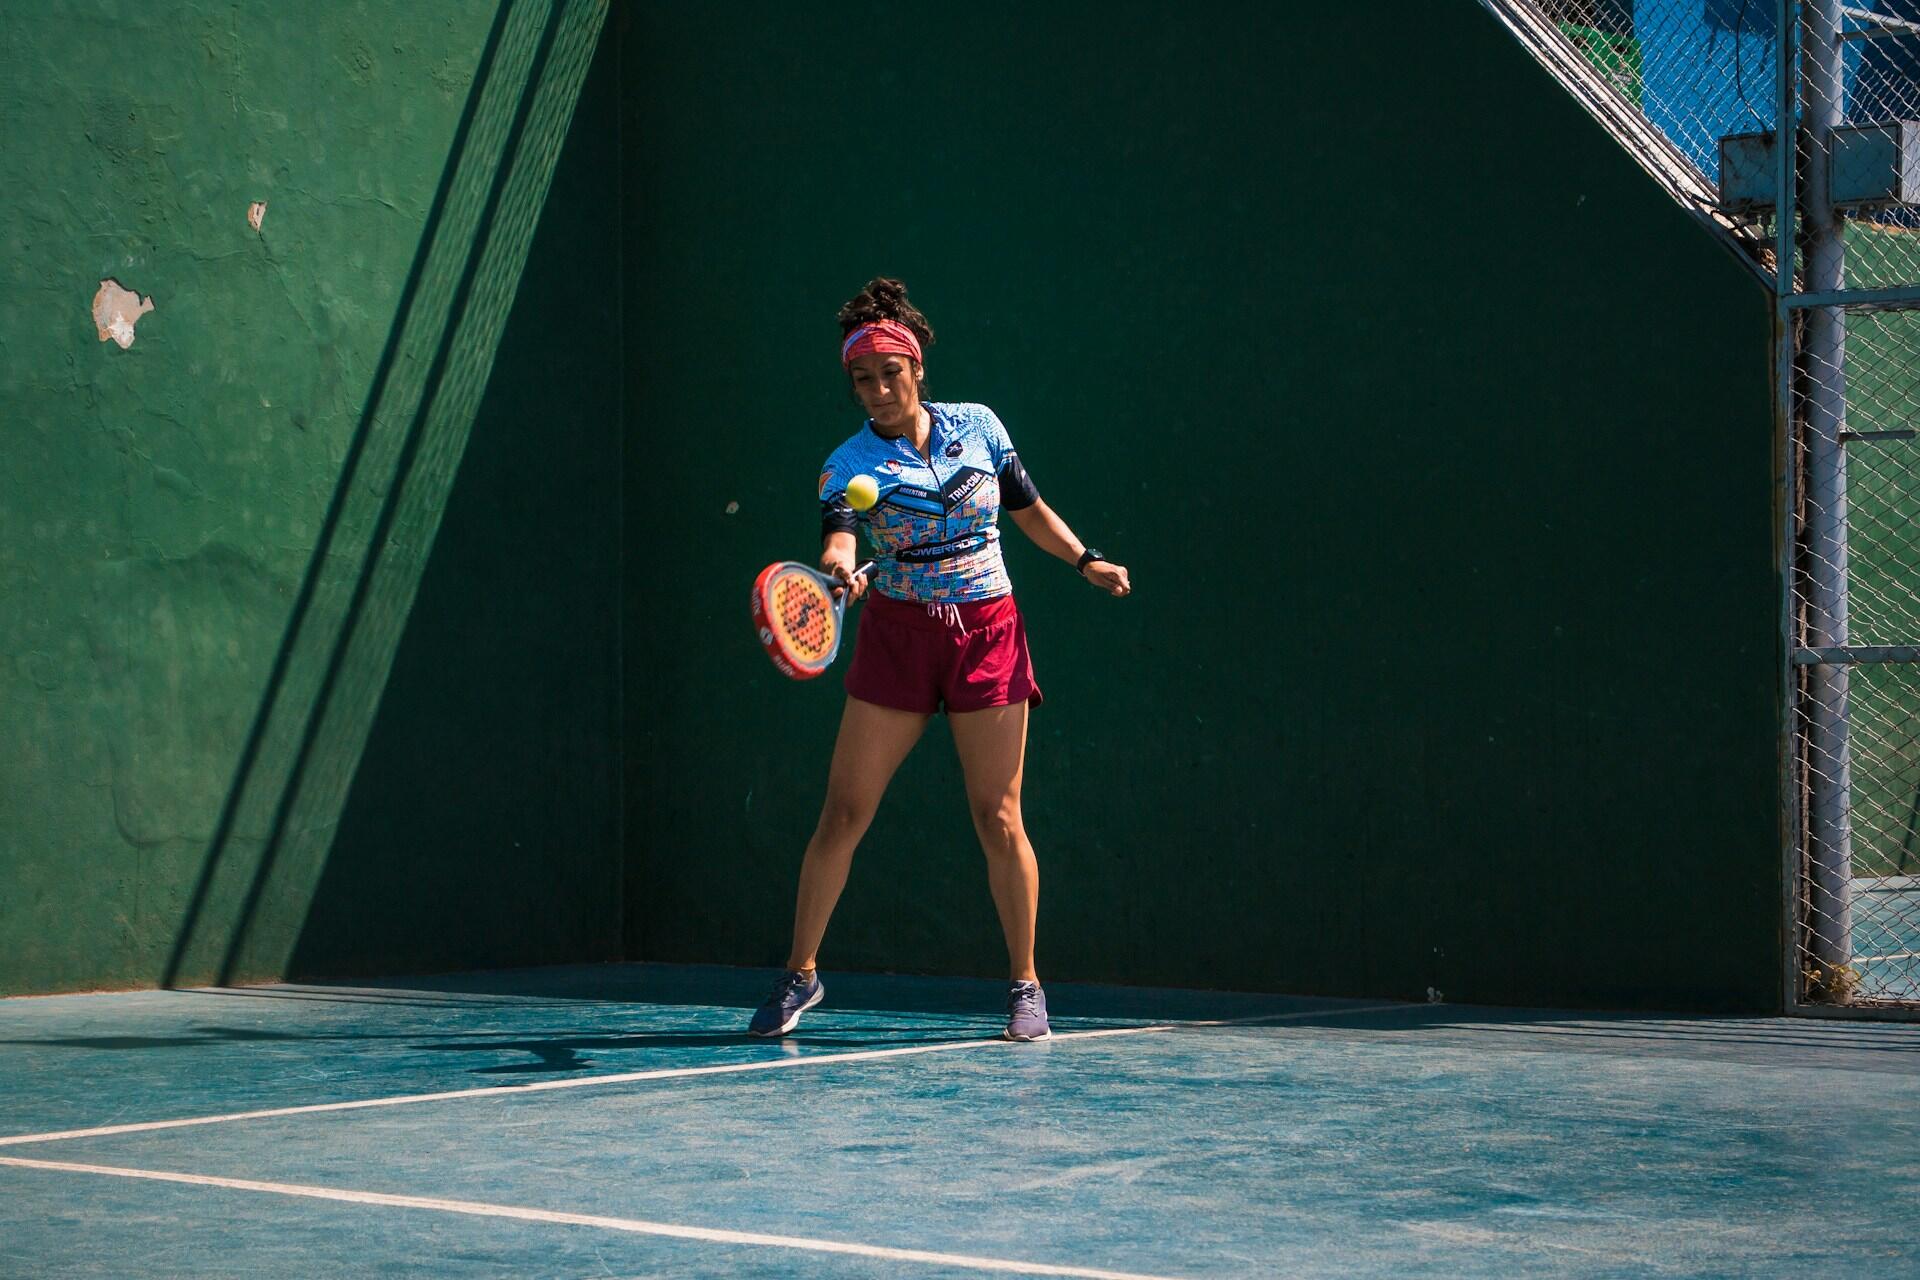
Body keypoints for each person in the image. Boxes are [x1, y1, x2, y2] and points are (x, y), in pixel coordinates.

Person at [748, 277, 1131, 1042]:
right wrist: (835, 567)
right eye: (863, 379)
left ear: (917, 368)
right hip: (899, 637)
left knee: (998, 814)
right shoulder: (847, 464)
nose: (878, 390)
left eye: (891, 374)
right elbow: (840, 539)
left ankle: (1026, 986)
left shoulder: (980, 428)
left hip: (988, 631)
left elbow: (1028, 508)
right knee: (846, 810)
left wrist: (1084, 559)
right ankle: (801, 973)